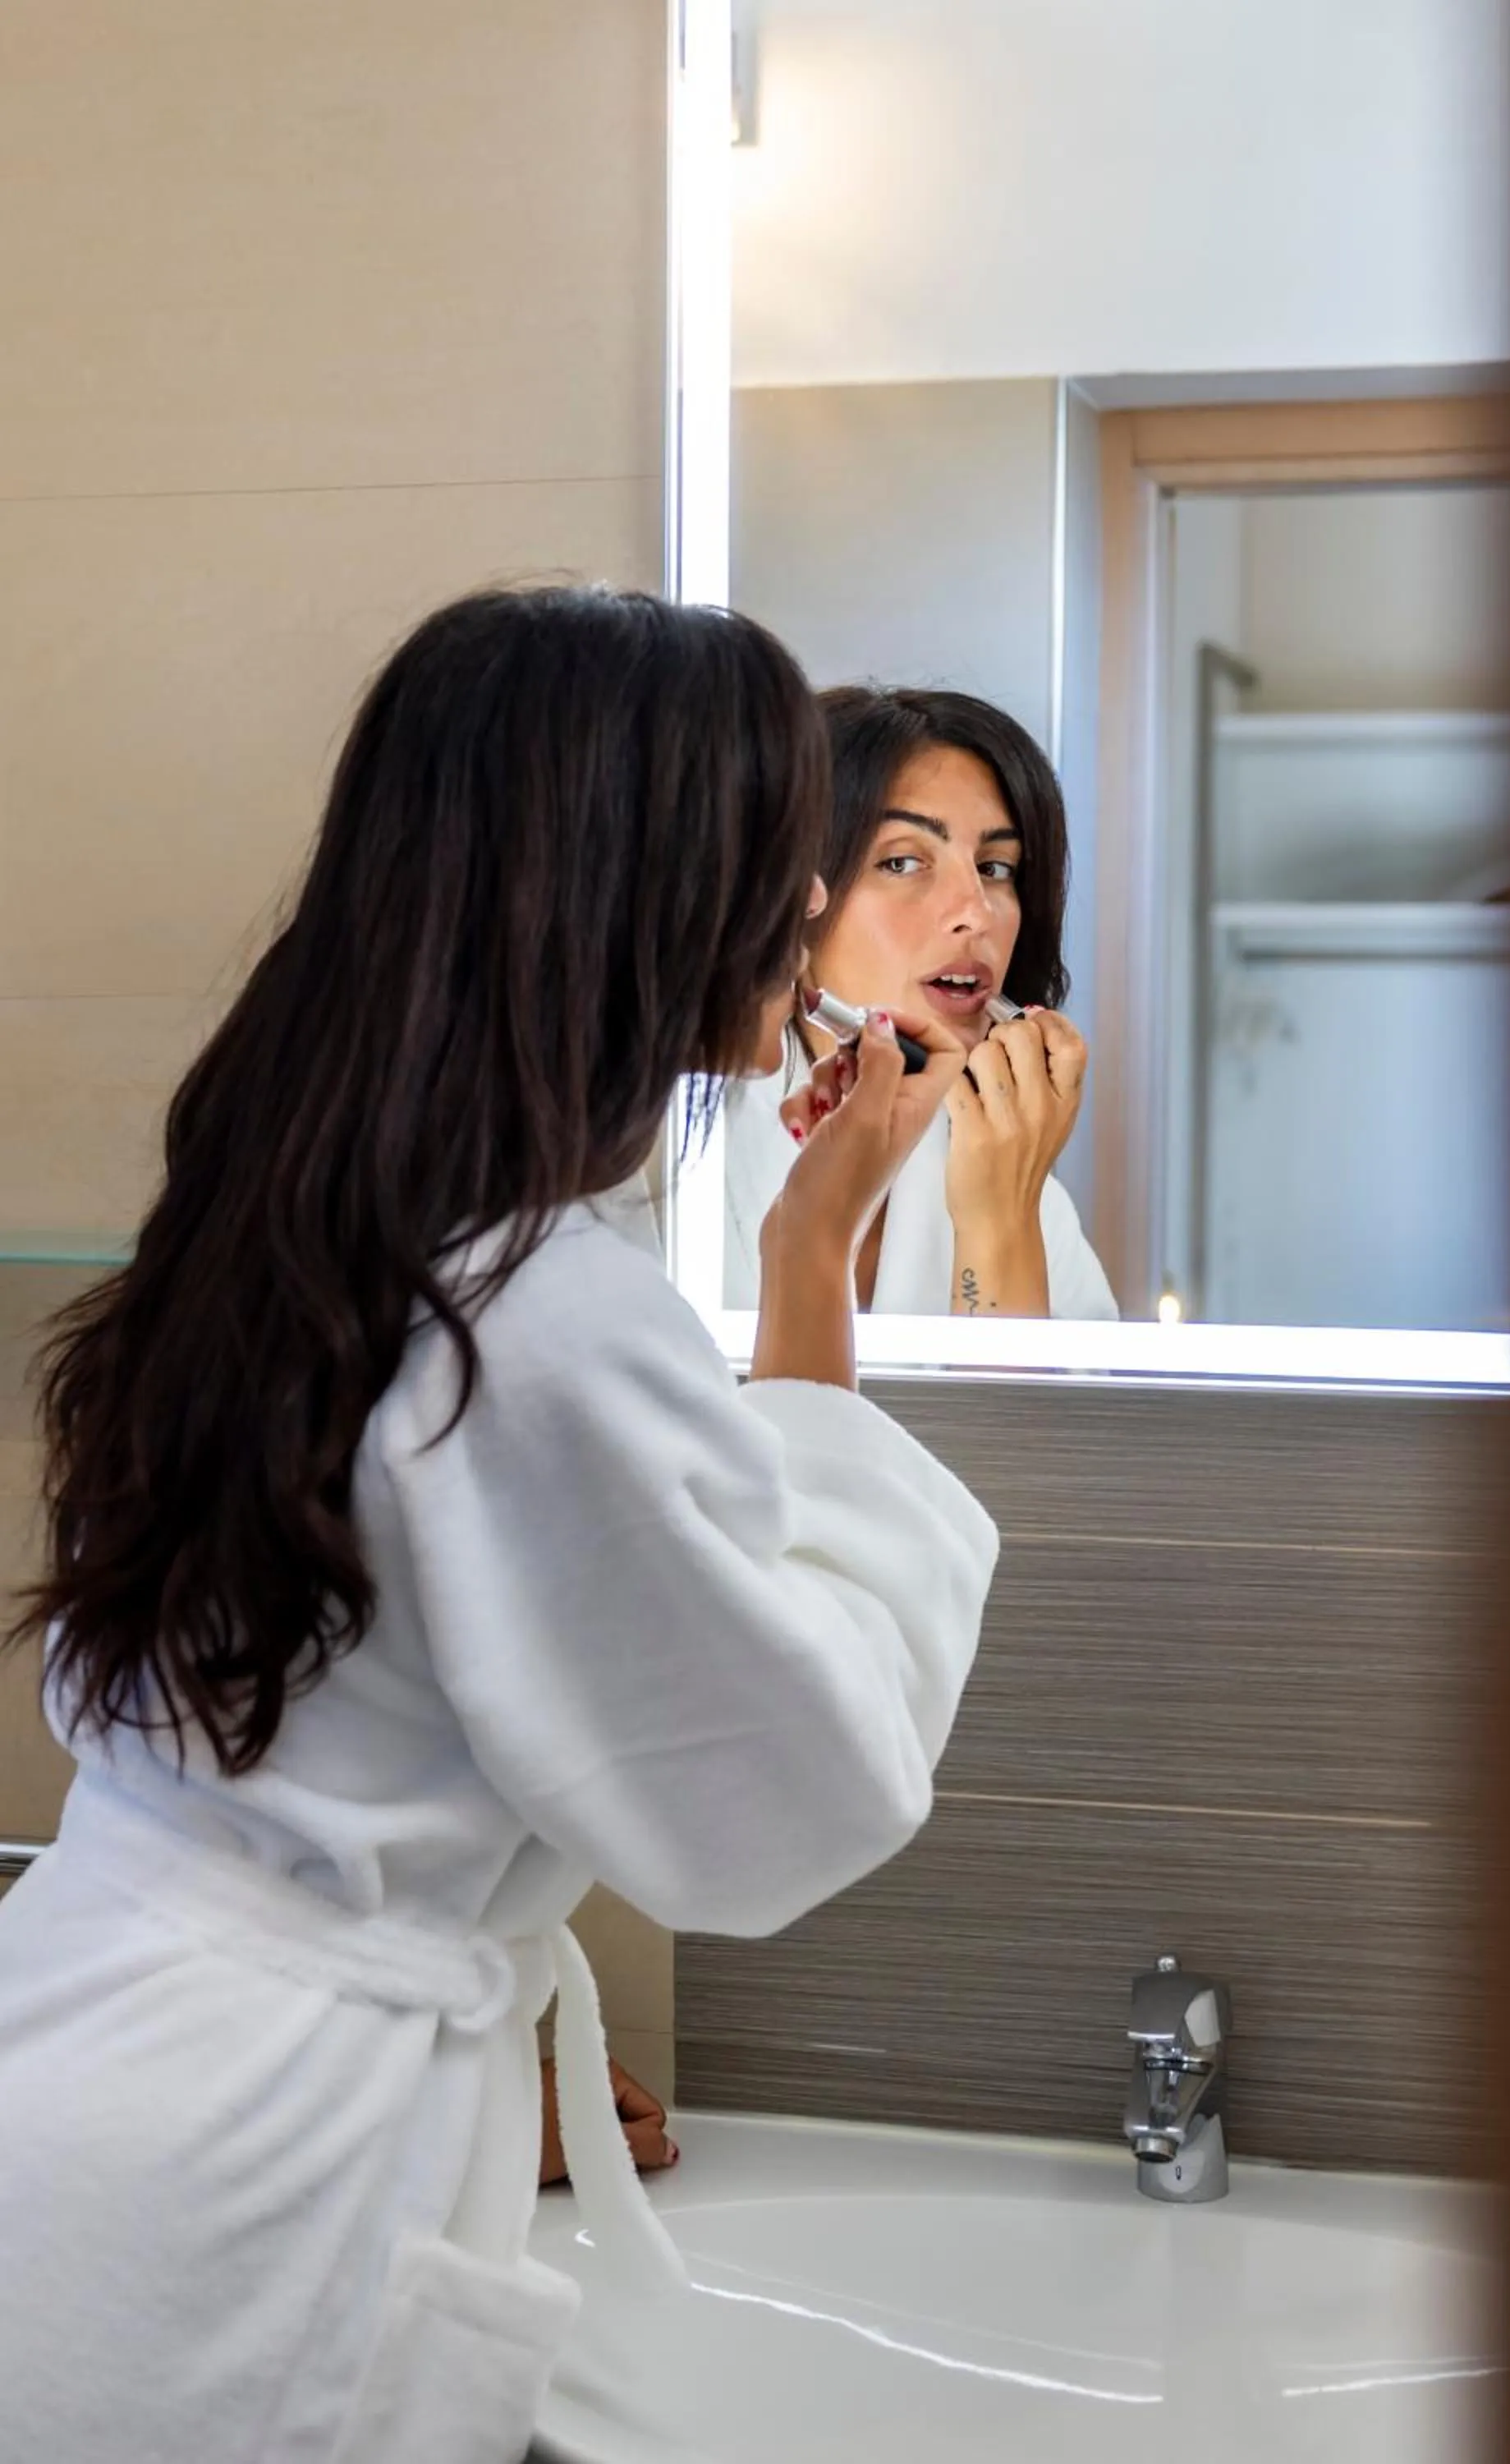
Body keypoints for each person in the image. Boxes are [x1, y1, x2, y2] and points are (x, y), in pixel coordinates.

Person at [0, 587, 997, 2464]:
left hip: (94, 2070)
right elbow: (781, 1793)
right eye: (776, 855)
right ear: (640, 886)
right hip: (244, 2179)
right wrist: (813, 1266)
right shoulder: (529, 1318)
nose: (803, 913)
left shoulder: (291, 1221)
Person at [723, 686, 1119, 1319]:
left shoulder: (1012, 1178)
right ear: (795, 896)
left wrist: (1000, 1223)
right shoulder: (670, 1160)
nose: (976, 912)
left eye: (996, 868)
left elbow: (1031, 1422)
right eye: (903, 862)